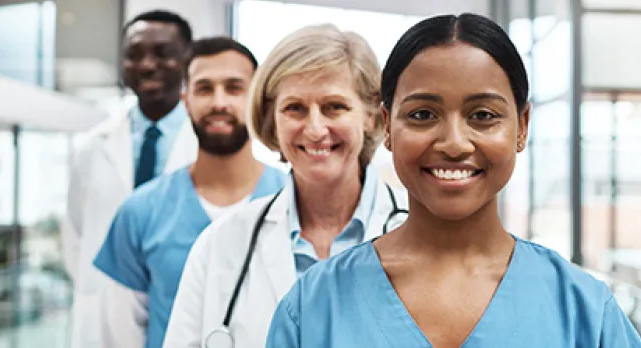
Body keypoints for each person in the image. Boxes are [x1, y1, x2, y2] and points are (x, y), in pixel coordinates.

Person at [265, 13, 641, 348]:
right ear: (387, 127)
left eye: (482, 115)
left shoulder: (584, 310)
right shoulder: (313, 307)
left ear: (522, 126)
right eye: (422, 115)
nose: (453, 144)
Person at [162, 24, 409, 348]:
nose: (316, 128)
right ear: (271, 121)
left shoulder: (422, 236)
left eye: (334, 106)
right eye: (295, 108)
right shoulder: (221, 246)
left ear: (372, 116)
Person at [92, 36, 286, 348]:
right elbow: (119, 335)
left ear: (257, 100)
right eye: (204, 88)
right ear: (186, 100)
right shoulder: (140, 211)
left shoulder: (294, 202)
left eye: (234, 87)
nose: (219, 102)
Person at [61, 10, 197, 348]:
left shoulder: (207, 146)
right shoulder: (93, 146)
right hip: (102, 321)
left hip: (181, 315)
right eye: (134, 54)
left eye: (163, 53)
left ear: (187, 61)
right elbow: (75, 236)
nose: (147, 64)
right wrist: (105, 293)